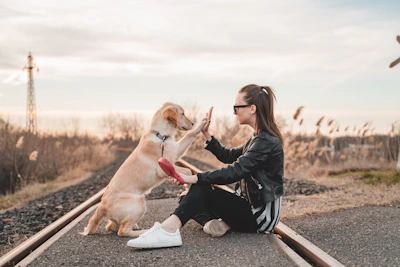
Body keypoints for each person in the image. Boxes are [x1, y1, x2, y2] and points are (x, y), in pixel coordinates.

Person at [127, 84, 284, 249]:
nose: (233, 112)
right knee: (186, 198)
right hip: (248, 207)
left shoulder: (266, 141)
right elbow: (229, 156)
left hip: (259, 217)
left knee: (200, 189)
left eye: (236, 107)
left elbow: (236, 171)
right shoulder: (258, 138)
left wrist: (194, 178)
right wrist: (206, 133)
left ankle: (168, 230)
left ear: (252, 109)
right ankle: (214, 224)